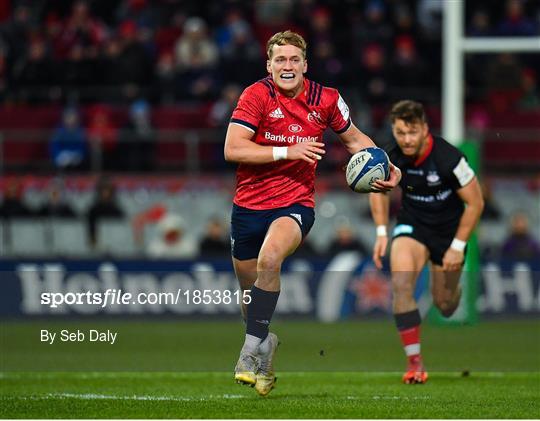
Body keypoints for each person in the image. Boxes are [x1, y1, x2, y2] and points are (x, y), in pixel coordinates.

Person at [224, 30, 401, 396]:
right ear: (269, 65)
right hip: (247, 206)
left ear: (305, 64)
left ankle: (247, 352)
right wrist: (287, 151)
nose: (287, 66)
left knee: (270, 258)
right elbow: (233, 148)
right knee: (249, 297)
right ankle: (265, 342)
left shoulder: (327, 99)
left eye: (293, 60)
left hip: (294, 203)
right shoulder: (256, 95)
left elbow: (354, 139)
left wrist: (387, 166)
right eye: (280, 60)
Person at [369, 100, 484, 384]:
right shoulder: (391, 156)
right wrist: (382, 232)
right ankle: (414, 363)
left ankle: (451, 289)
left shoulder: (449, 158)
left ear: (425, 130)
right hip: (413, 226)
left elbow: (476, 203)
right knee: (401, 283)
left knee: (445, 305)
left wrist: (457, 248)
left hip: (449, 234)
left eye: (412, 132)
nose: (406, 140)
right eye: (400, 133)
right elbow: (378, 190)